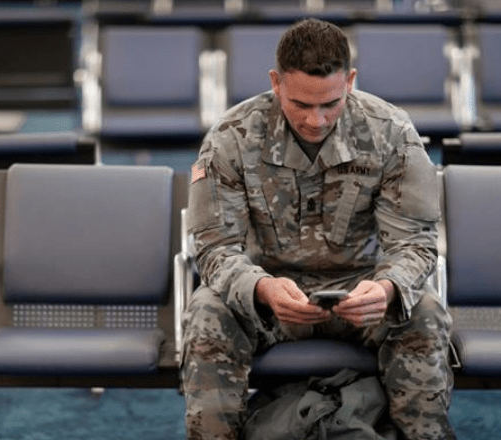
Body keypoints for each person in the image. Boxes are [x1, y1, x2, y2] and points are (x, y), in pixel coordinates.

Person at [182, 18, 456, 440]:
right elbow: (214, 247)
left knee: (424, 312)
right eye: (301, 105)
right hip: (269, 298)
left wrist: (386, 289)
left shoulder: (391, 133)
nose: (316, 120)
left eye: (331, 103)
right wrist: (262, 289)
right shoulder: (232, 137)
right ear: (276, 83)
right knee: (206, 311)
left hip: (362, 297)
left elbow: (415, 244)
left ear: (350, 81)